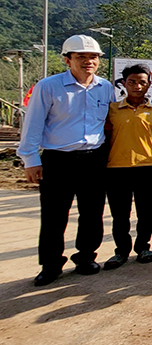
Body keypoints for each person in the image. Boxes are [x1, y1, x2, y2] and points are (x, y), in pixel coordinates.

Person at [18, 35, 114, 286]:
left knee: (92, 213)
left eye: (93, 57)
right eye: (81, 57)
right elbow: (33, 123)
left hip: (94, 158)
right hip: (58, 159)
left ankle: (86, 257)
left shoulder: (105, 87)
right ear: (67, 59)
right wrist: (30, 159)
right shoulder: (49, 87)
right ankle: (50, 264)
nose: (88, 61)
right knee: (54, 214)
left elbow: (109, 124)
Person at [103, 64, 152, 270]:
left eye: (142, 82)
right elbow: (105, 137)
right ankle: (121, 251)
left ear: (149, 85)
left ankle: (143, 248)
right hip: (116, 168)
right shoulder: (112, 110)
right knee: (120, 214)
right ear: (124, 84)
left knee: (146, 213)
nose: (137, 86)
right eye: (132, 82)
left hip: (147, 167)